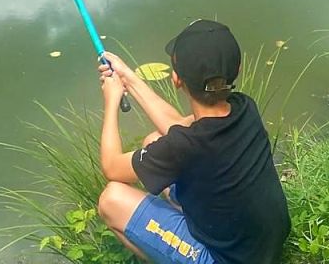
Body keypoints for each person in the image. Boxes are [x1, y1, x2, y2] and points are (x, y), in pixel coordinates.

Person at [95, 20, 290, 264]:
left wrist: (111, 100)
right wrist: (128, 78)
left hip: (227, 259)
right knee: (154, 139)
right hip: (262, 244)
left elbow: (111, 167)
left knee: (111, 199)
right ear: (237, 69)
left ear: (176, 79)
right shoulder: (243, 106)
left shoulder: (184, 146)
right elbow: (177, 129)